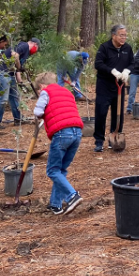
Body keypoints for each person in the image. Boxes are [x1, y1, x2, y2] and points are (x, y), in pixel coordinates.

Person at [33, 71, 84, 215]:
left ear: (42, 86)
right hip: (77, 133)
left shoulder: (46, 92)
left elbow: (37, 112)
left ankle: (72, 196)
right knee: (61, 170)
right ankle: (56, 205)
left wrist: (38, 116)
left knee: (52, 170)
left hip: (62, 133)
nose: (39, 93)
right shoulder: (67, 92)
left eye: (38, 90)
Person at [93, 25, 134, 152]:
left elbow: (132, 63)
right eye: (121, 35)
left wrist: (127, 71)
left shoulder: (127, 48)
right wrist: (112, 71)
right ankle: (99, 141)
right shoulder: (104, 47)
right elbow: (98, 64)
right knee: (101, 113)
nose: (123, 38)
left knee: (118, 114)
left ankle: (115, 137)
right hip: (105, 85)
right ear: (113, 36)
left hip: (120, 86)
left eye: (125, 35)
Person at [0, 38, 39, 129]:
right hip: (2, 72)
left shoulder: (25, 51)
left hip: (9, 74)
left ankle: (18, 118)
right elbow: (15, 55)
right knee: (3, 98)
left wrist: (20, 81)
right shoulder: (25, 46)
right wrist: (19, 67)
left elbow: (16, 68)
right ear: (35, 45)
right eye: (37, 48)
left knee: (14, 96)